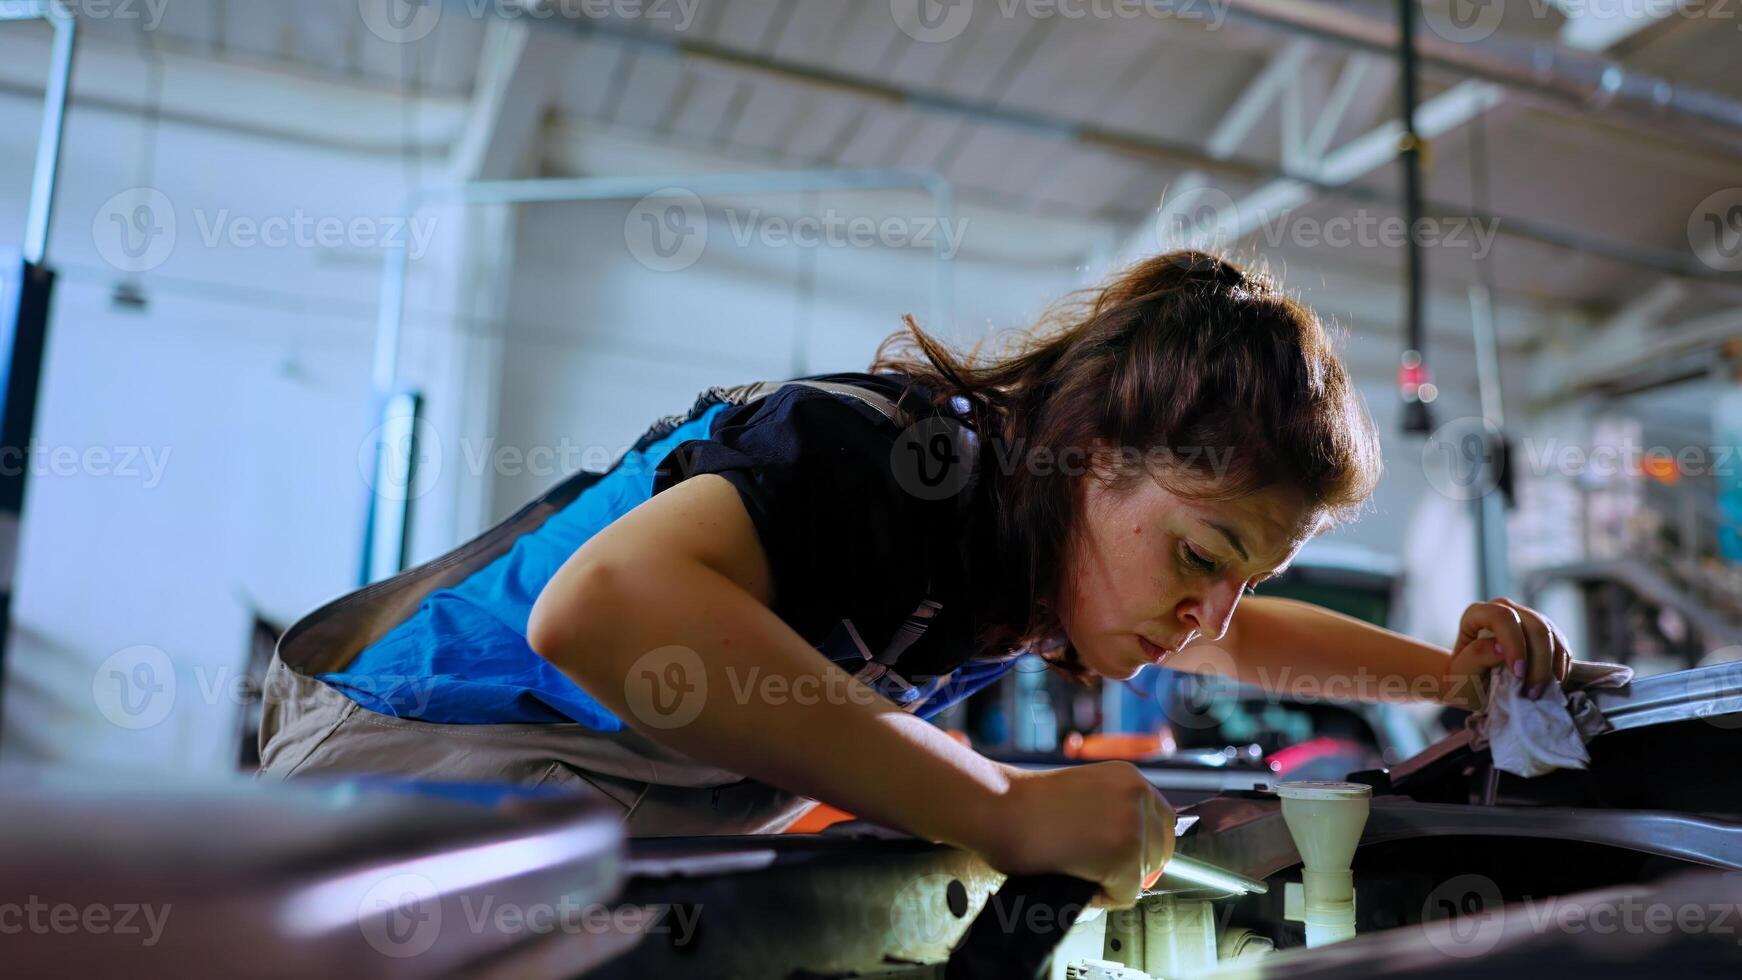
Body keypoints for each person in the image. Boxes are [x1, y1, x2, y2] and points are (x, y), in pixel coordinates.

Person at [258, 250, 1572, 908]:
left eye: (1240, 574)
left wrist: (1450, 678)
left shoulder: (1046, 560)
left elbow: (1236, 643)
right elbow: (599, 611)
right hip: (426, 743)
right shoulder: (881, 461)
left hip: (627, 789)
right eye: (1198, 556)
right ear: (1086, 456)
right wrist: (1001, 803)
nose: (1205, 610)